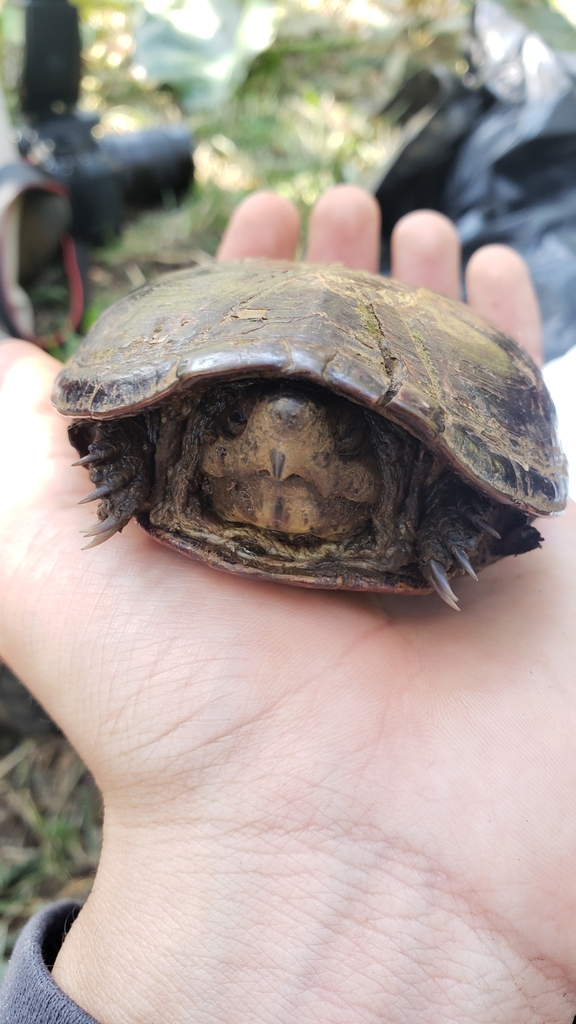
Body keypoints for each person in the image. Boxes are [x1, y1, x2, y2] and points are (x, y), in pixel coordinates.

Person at [1, 186, 575, 1024]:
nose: (280, 454)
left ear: (394, 462)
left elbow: (507, 495)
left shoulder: (432, 492)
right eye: (237, 419)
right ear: (196, 426)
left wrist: (459, 513)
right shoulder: (159, 439)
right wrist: (133, 448)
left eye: (338, 438)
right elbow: (104, 409)